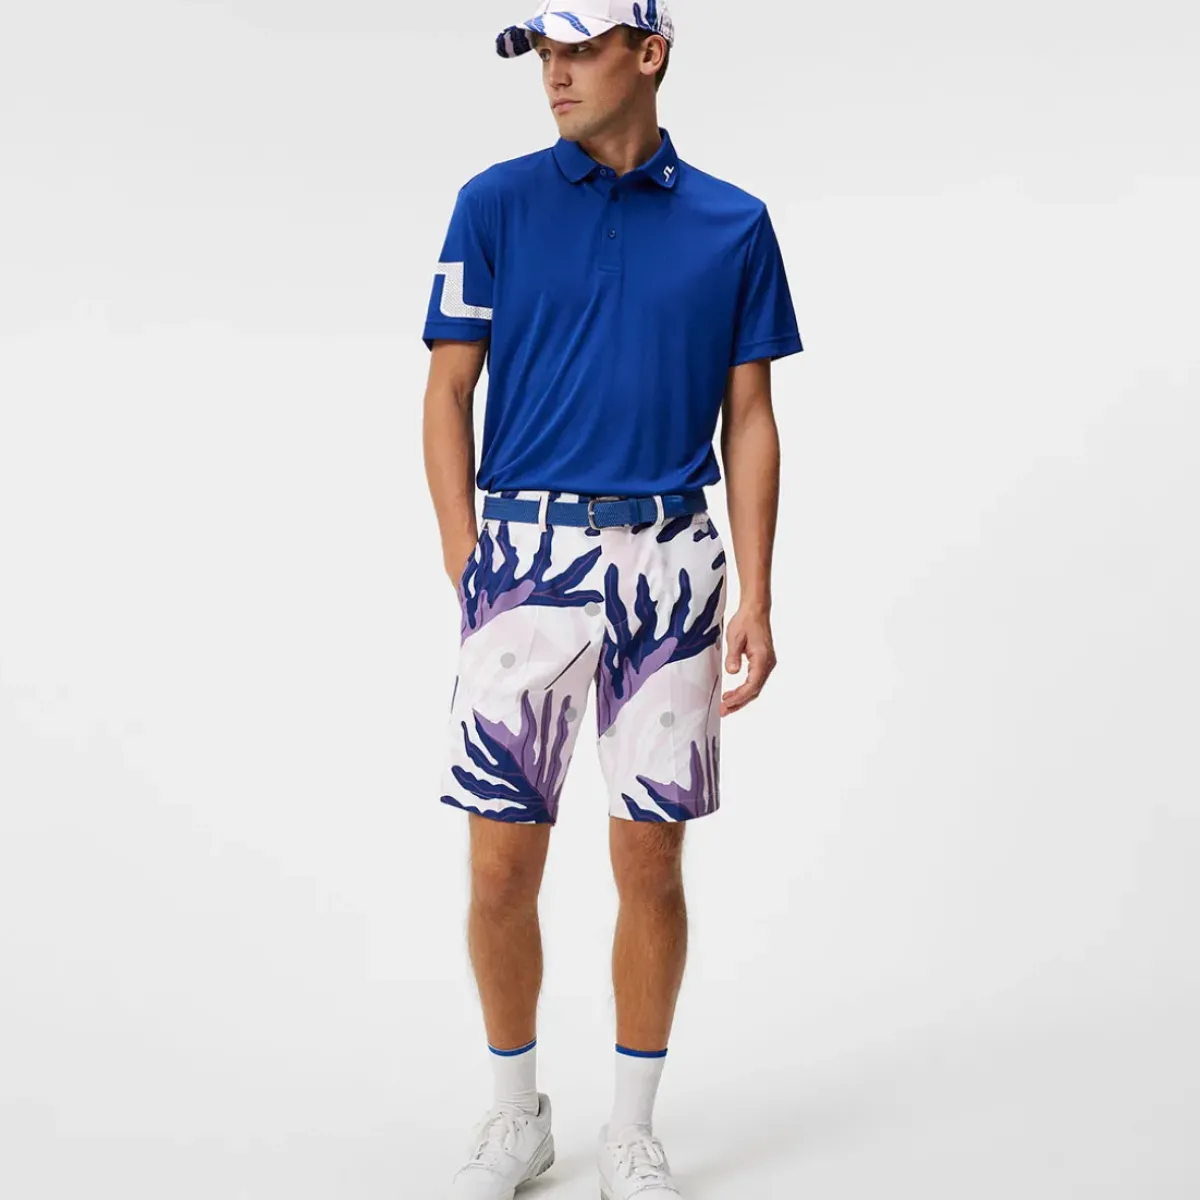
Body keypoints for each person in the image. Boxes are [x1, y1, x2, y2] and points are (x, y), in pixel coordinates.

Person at [420, 2, 802, 1195]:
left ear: (650, 53)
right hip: (524, 561)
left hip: (673, 565)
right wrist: (467, 556)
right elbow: (447, 392)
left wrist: (757, 590)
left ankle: (631, 1128)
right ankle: (516, 1114)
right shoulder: (493, 205)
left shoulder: (734, 224)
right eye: (544, 53)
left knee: (649, 861)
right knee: (499, 867)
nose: (556, 73)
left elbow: (751, 417)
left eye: (580, 48)